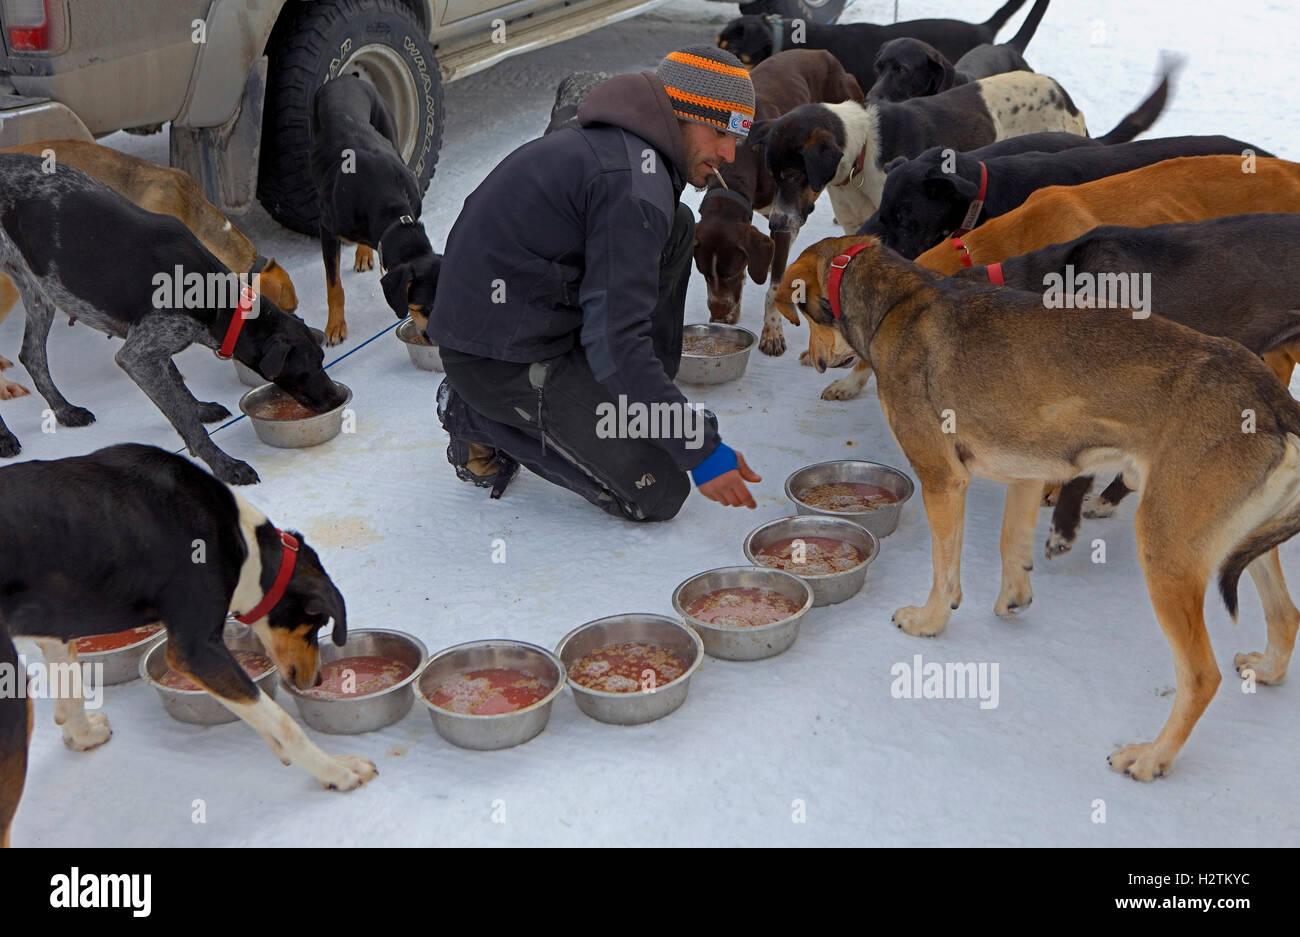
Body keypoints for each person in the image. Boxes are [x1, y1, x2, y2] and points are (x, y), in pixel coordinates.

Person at [428, 46, 762, 522]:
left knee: (678, 225)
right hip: (498, 357)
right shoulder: (631, 184)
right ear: (684, 115)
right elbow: (616, 342)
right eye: (721, 133)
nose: (728, 156)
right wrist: (699, 448)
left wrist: (660, 410)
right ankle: (473, 414)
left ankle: (639, 394)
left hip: (536, 316)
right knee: (661, 489)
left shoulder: (631, 151)